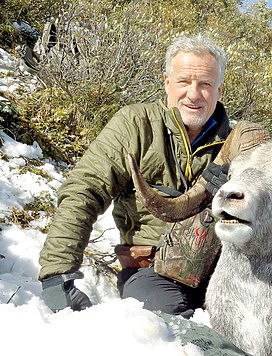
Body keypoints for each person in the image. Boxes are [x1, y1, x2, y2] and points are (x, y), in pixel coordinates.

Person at [38, 34, 231, 318]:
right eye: (184, 81)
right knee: (166, 325)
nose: (193, 94)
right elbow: (85, 190)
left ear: (219, 90)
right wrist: (57, 273)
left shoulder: (239, 143)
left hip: (227, 275)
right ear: (166, 82)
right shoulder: (135, 124)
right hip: (152, 274)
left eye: (205, 84)